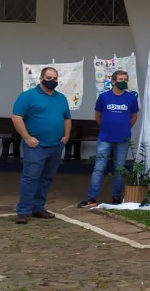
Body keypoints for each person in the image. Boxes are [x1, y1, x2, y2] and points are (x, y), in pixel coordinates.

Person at [11, 67, 71, 224]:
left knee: (46, 178)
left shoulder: (61, 98)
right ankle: (24, 211)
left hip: (56, 145)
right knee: (30, 178)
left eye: (55, 78)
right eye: (49, 78)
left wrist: (66, 136)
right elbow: (17, 117)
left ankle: (38, 208)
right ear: (41, 78)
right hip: (35, 146)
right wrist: (27, 137)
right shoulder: (28, 96)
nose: (52, 81)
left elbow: (66, 118)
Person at [78, 70, 139, 208]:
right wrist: (105, 127)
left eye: (125, 79)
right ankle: (92, 197)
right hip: (105, 138)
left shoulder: (131, 98)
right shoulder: (104, 97)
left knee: (119, 169)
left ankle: (116, 197)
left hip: (123, 140)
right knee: (99, 168)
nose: (123, 81)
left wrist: (125, 128)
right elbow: (98, 115)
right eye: (120, 79)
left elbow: (134, 116)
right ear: (113, 81)